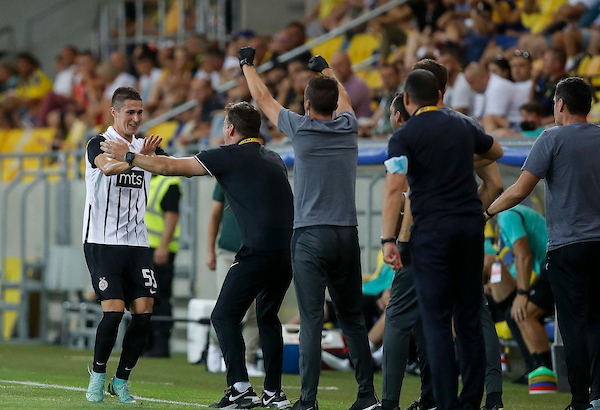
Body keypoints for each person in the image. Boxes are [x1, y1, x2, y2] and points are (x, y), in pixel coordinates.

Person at [101, 101, 294, 409]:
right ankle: (273, 392)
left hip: (257, 251)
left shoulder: (228, 155)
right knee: (268, 317)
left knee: (223, 316)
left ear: (230, 129)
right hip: (285, 253)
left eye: (224, 125)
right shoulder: (275, 158)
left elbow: (171, 168)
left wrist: (129, 156)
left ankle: (241, 389)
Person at [238, 47, 378, 410]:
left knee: (312, 321)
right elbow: (344, 98)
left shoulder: (300, 128)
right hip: (346, 234)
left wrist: (247, 64)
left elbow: (262, 98)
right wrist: (327, 69)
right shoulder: (349, 126)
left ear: (306, 104)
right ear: (335, 105)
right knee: (353, 320)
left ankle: (308, 400)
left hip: (311, 236)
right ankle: (367, 396)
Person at [381, 59, 505, 410]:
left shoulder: (404, 136)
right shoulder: (463, 125)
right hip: (469, 229)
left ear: (407, 100)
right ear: (440, 94)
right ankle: (472, 401)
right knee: (469, 320)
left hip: (432, 233)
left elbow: (394, 189)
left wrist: (388, 240)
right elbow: (496, 151)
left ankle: (445, 402)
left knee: (435, 322)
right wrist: (460, 160)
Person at [485, 77, 600, 410]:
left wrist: (487, 211)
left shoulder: (551, 138)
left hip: (568, 247)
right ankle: (598, 397)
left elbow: (520, 190)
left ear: (560, 104)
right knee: (597, 323)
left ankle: (579, 401)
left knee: (573, 325)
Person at [83, 87, 166, 403]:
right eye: (130, 111)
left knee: (144, 312)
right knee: (115, 312)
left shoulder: (146, 148)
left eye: (140, 112)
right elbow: (106, 167)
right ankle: (97, 376)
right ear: (114, 112)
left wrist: (145, 157)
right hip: (102, 241)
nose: (136, 118)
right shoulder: (98, 143)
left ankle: (120, 380)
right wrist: (139, 160)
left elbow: (170, 166)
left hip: (137, 243)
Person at [483, 205, 557, 392]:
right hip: (549, 266)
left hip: (554, 264)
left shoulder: (507, 215)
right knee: (516, 314)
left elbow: (523, 255)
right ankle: (536, 369)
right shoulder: (507, 218)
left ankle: (545, 373)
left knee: (524, 313)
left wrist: (522, 294)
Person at [205, 180, 262, 377]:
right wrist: (210, 250)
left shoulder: (265, 175)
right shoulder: (226, 175)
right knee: (227, 303)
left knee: (255, 308)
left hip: (256, 250)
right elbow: (215, 214)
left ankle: (247, 360)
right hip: (228, 251)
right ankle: (215, 345)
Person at [143, 174, 182, 358]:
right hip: (144, 248)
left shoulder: (169, 182)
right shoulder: (146, 179)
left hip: (159, 249)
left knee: (160, 297)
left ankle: (161, 344)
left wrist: (163, 246)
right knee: (144, 297)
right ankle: (146, 343)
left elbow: (172, 215)